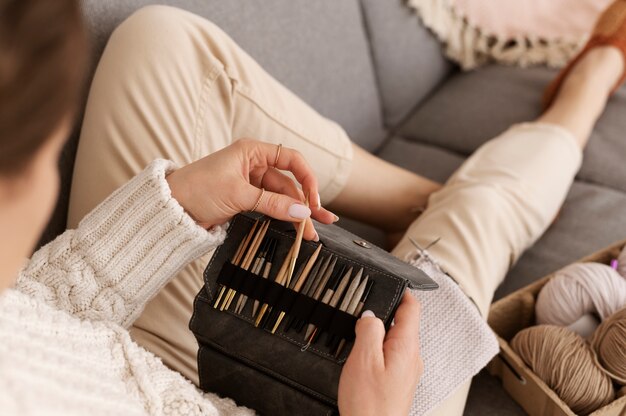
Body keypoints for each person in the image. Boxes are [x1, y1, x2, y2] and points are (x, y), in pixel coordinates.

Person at [1, 0, 625, 414]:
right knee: (477, 218)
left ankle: (419, 201)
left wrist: (174, 208)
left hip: (137, 345)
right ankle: (591, 80)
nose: (45, 185)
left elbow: (37, 312)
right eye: (39, 159)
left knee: (162, 44)